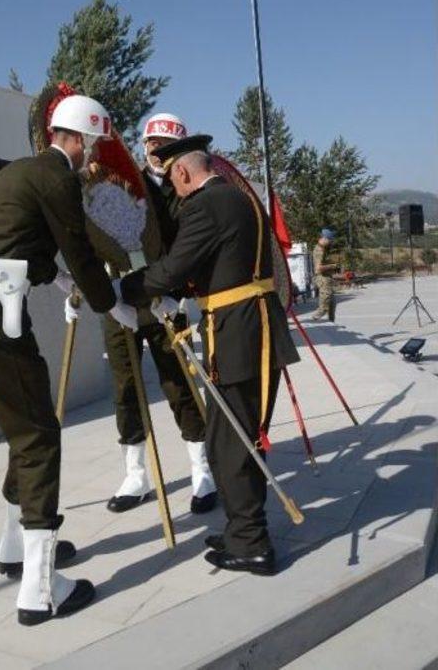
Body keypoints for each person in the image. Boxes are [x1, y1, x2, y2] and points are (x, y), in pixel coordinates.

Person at [0, 95, 138, 625]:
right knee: (39, 437)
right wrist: (112, 303)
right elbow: (77, 248)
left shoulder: (19, 173)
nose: (93, 159)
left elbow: (22, 247)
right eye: (92, 147)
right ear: (73, 140)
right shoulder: (58, 178)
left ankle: (14, 545)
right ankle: (41, 587)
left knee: (20, 429)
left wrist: (63, 279)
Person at [119, 135, 300, 576]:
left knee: (232, 442)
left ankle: (252, 543)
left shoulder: (205, 205)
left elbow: (176, 266)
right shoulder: (240, 199)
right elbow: (209, 265)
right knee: (242, 434)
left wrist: (123, 288)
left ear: (182, 172)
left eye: (173, 181)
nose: (175, 193)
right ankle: (242, 529)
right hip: (256, 326)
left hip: (238, 333)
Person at [102, 113, 216, 514]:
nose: (156, 151)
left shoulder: (185, 187)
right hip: (121, 297)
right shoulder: (119, 179)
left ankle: (202, 468)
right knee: (125, 387)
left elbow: (195, 246)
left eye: (165, 145)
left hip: (166, 299)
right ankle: (136, 474)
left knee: (179, 383)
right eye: (152, 143)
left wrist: (189, 296)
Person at [311, 229, 337, 321]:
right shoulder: (319, 250)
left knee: (332, 304)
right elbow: (318, 268)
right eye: (330, 240)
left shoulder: (323, 249)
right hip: (323, 279)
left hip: (327, 279)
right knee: (323, 308)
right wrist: (332, 266)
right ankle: (314, 320)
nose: (331, 242)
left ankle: (331, 323)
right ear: (325, 238)